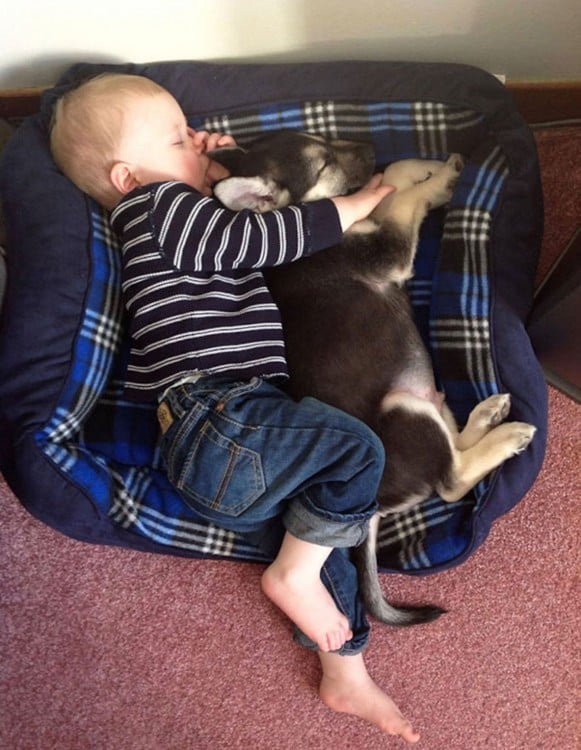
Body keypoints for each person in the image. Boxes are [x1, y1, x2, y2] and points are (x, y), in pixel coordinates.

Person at [50, 72, 420, 743]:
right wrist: (354, 207)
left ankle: (346, 671)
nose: (195, 142)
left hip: (225, 453)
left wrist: (211, 161)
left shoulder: (167, 219)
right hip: (221, 416)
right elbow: (255, 238)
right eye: (177, 137)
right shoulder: (157, 209)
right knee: (356, 451)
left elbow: (227, 212)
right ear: (128, 175)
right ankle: (293, 581)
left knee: (320, 544)